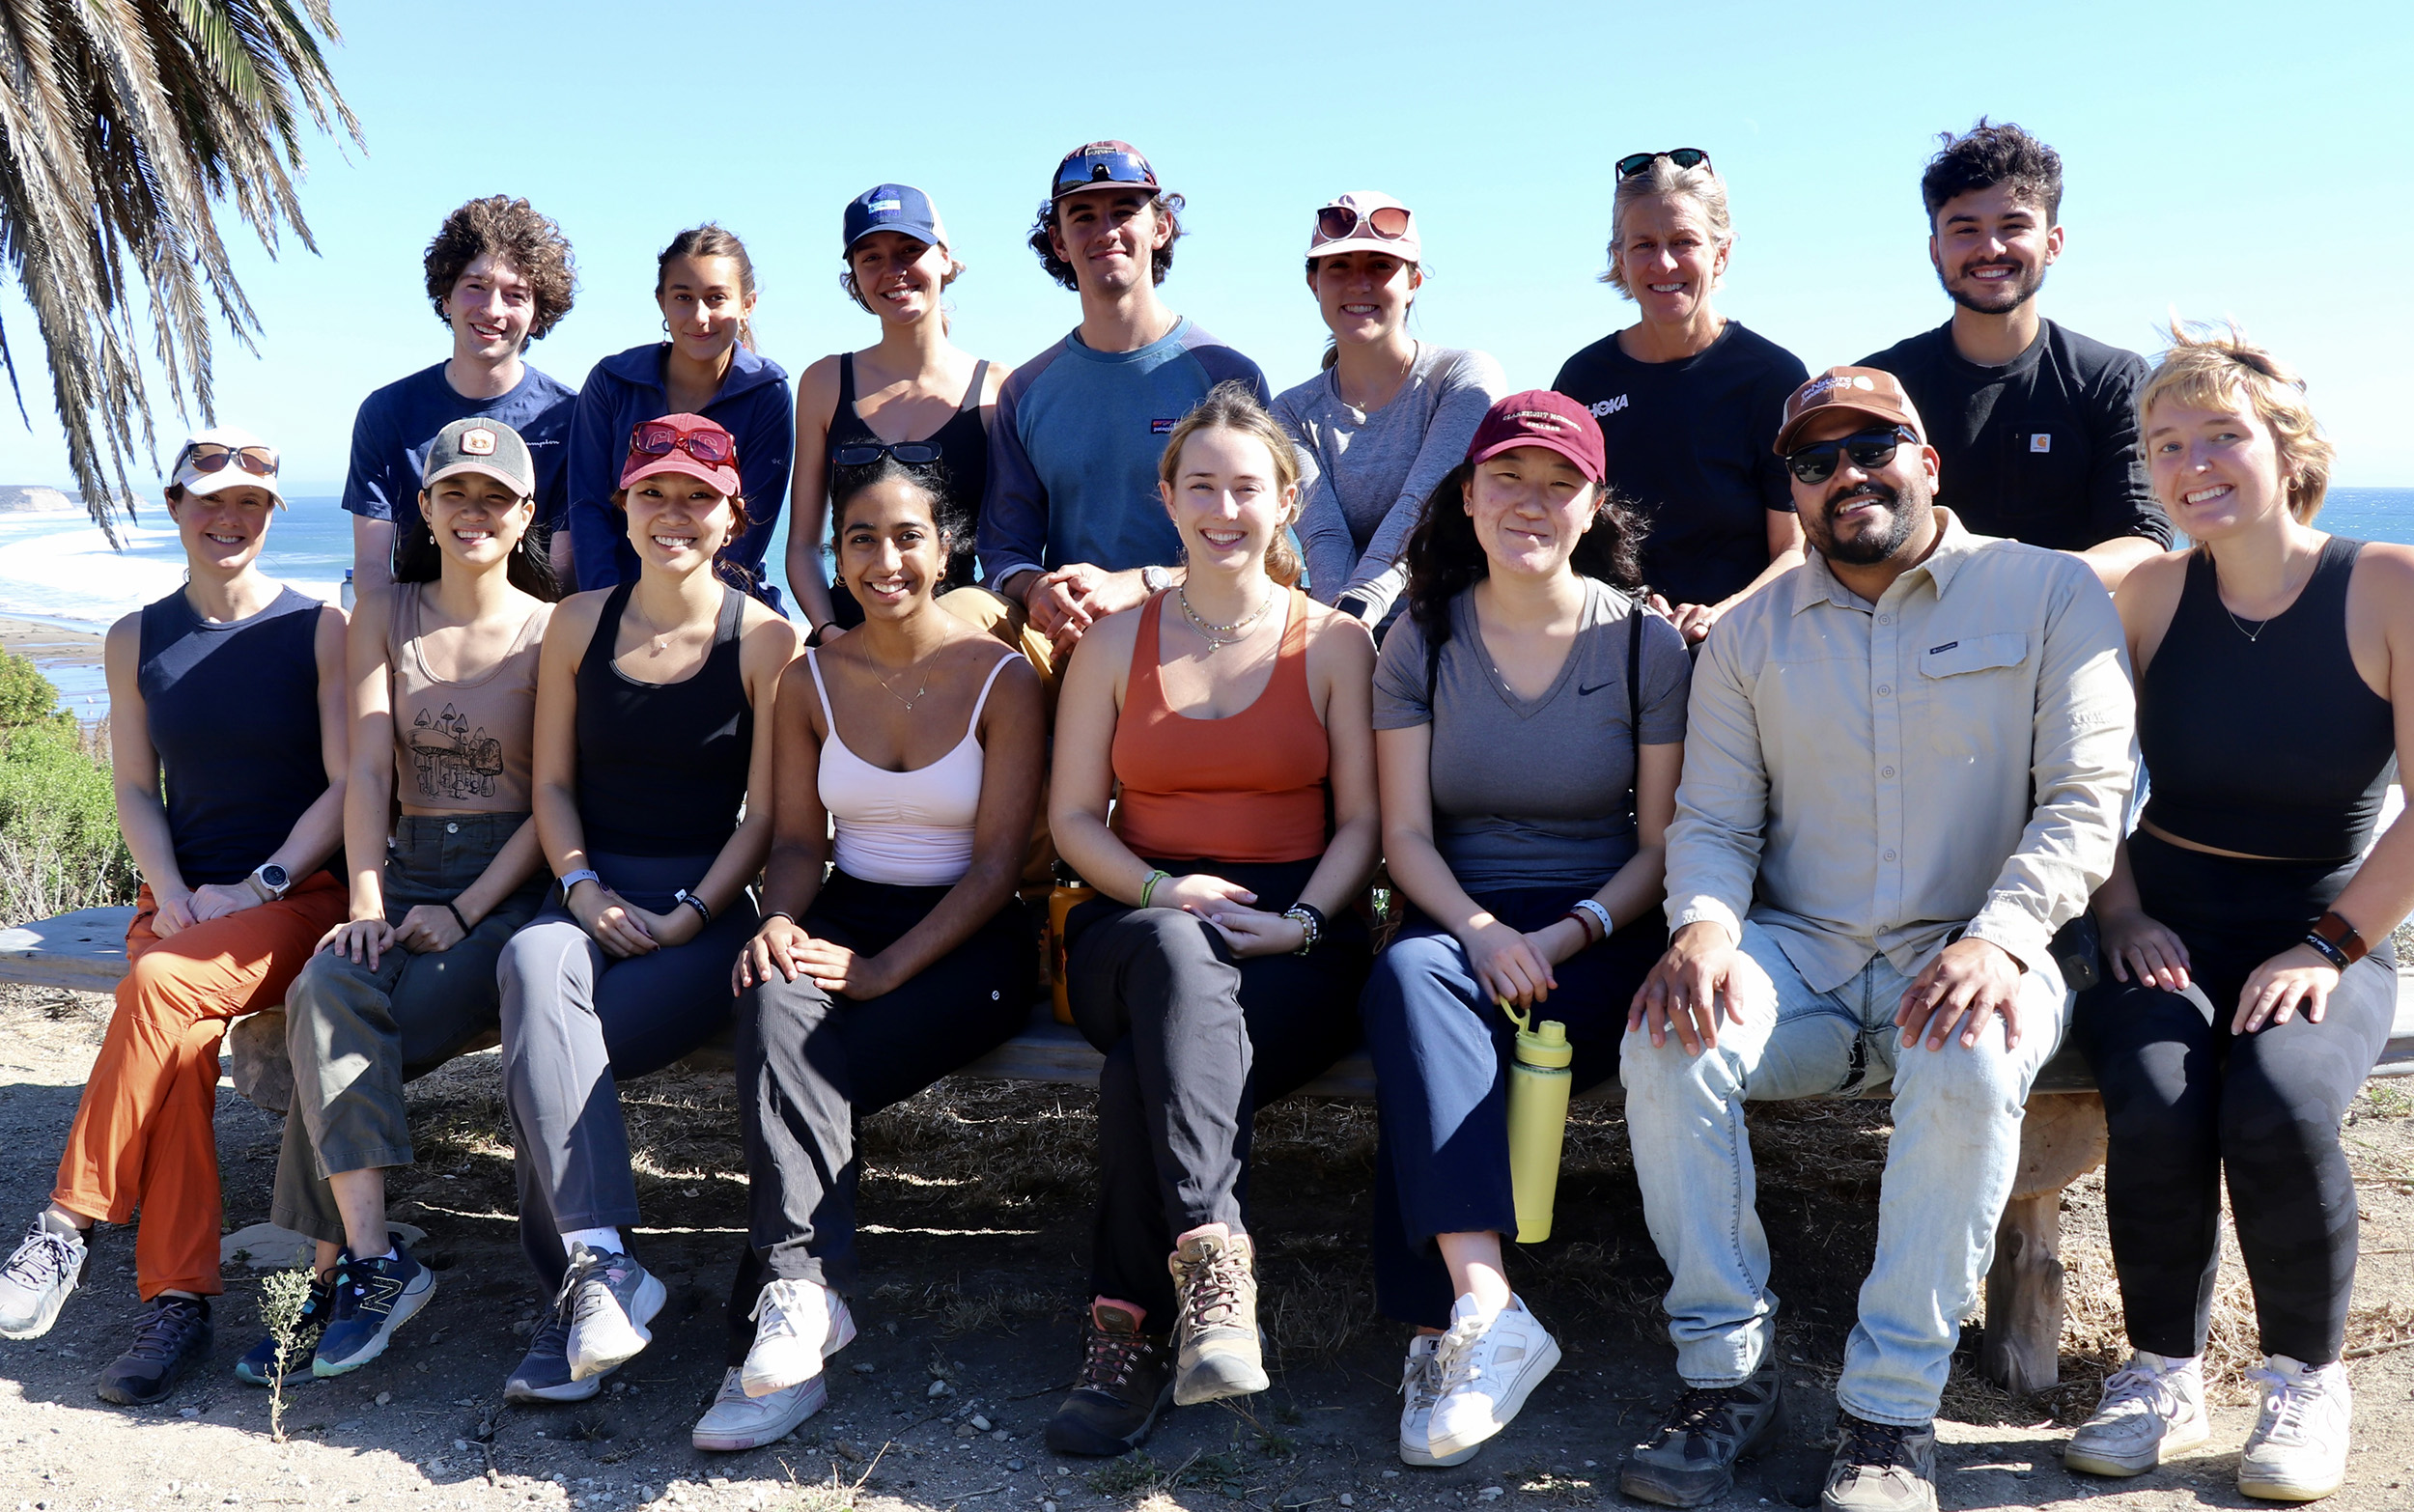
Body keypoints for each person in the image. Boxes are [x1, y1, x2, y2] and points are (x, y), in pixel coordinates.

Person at [1615, 367, 2135, 1512]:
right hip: (1799, 951)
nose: (1845, 475)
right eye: (1814, 461)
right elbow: (1712, 820)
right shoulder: (1748, 635)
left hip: (1975, 945)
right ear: (1791, 490)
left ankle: (1891, 1415)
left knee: (1971, 1051)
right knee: (1666, 1040)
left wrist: (2001, 938)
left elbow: (2088, 798)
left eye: (1872, 448)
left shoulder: (2047, 594)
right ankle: (1724, 1377)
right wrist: (1703, 928)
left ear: (1927, 461)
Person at [2063, 328, 2413, 1503]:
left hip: (2326, 923)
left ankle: (2306, 1379)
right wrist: (2114, 911)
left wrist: (2326, 948)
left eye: (2221, 434)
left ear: (2285, 444)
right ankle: (2160, 1371)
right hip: (2161, 914)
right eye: (2166, 444)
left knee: (2275, 1098)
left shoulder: (2386, 585)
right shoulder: (2148, 593)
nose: (2192, 462)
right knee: (2158, 1100)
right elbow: (2083, 782)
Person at [1040, 383, 1376, 1457]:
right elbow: (1068, 819)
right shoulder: (1113, 642)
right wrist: (1158, 889)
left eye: (1246, 487)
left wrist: (1310, 925)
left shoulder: (1330, 645)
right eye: (1201, 487)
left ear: (1286, 499)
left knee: (1147, 1070)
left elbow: (1362, 823)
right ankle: (1215, 1256)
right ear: (1166, 498)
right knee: (1171, 959)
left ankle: (1125, 1328)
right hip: (1128, 922)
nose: (1223, 508)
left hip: (1292, 941)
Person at [1361, 391, 1689, 1468]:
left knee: (1433, 1057)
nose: (1529, 503)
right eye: (1507, 479)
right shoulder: (1420, 633)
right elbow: (1403, 835)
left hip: (1602, 933)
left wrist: (1567, 934)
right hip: (1462, 918)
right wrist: (1483, 928)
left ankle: (1439, 1337)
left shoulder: (1645, 646)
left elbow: (1657, 844)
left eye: (1559, 485)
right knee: (1411, 986)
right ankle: (1484, 1308)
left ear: (1593, 506)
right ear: (1467, 495)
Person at [693, 453, 1046, 1452]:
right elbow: (800, 844)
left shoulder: (1002, 679)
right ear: (835, 554)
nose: (884, 558)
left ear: (945, 547)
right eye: (860, 538)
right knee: (773, 996)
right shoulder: (809, 677)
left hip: (973, 938)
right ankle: (803, 1304)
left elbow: (991, 870)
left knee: (808, 1076)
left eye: (906, 536)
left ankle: (762, 1347)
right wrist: (780, 919)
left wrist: (887, 972)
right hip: (850, 908)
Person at [0, 431, 347, 1406]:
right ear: (177, 508)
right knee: (181, 1041)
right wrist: (177, 888)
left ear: (271, 517)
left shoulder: (319, 628)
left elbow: (351, 786)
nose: (230, 520)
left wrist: (263, 881)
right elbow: (133, 789)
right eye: (211, 503)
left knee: (154, 985)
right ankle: (177, 1303)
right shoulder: (133, 636)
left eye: (251, 506)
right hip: (184, 900)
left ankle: (68, 1222)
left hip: (294, 899)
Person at [241, 418, 559, 1386]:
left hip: (506, 883)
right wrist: (370, 898)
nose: (473, 511)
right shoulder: (385, 609)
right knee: (327, 988)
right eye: (454, 493)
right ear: (423, 507)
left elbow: (554, 803)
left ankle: (328, 1273)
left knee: (332, 1036)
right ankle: (377, 1262)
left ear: (524, 515)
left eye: (494, 496)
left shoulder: (559, 628)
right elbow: (370, 769)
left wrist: (465, 916)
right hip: (404, 866)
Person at [493, 412, 797, 1404]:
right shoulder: (577, 621)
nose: (675, 513)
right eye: (654, 493)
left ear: (734, 516)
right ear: (621, 506)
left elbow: (767, 814)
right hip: (586, 892)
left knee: (558, 1057)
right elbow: (550, 787)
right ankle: (597, 1273)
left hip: (699, 916)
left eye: (698, 497)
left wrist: (694, 915)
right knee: (534, 968)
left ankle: (578, 1299)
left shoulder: (763, 640)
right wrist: (579, 889)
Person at [974, 142, 1271, 666]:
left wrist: (1142, 584)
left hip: (1205, 641)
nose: (1105, 229)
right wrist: (1040, 590)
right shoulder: (1026, 390)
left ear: (1161, 228)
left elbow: (1267, 548)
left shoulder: (1227, 376)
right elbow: (1005, 552)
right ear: (1058, 241)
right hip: (1078, 644)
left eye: (1125, 211)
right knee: (961, 615)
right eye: (1083, 216)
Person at [1860, 121, 2169, 589]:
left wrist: (2007, 581)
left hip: (2064, 640)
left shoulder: (2110, 378)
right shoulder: (1881, 384)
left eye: (2014, 225)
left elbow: (2143, 539)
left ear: (2053, 243)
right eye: (1965, 230)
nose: (1991, 249)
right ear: (1934, 251)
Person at [1553, 150, 1809, 643]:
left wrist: (1719, 617)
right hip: (1607, 645)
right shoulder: (1583, 380)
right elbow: (1559, 535)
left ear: (1721, 253)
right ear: (1618, 259)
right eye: (1643, 244)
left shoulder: (1773, 377)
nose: (1663, 262)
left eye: (1683, 241)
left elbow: (1793, 552)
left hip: (1741, 648)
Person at [1274, 192, 1503, 630]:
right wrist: (1344, 640)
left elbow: (1422, 509)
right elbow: (1323, 538)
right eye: (1339, 265)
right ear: (1313, 281)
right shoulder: (1290, 411)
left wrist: (1355, 614)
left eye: (1380, 265)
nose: (1359, 283)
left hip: (1457, 632)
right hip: (1341, 629)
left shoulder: (1463, 376)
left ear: (1414, 282)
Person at [789, 184, 1008, 637]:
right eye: (871, 257)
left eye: (910, 250)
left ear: (945, 258)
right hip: (847, 641)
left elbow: (1012, 549)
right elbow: (804, 545)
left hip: (958, 642)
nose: (893, 271)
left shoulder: (998, 389)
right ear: (854, 272)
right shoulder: (824, 382)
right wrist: (829, 633)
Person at [346, 196, 579, 599]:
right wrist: (376, 648)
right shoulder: (387, 414)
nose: (492, 309)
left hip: (535, 642)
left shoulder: (570, 419)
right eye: (476, 287)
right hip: (412, 634)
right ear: (446, 297)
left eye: (516, 295)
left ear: (539, 314)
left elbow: (562, 574)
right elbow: (371, 566)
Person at [567, 225, 795, 611]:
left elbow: (749, 526)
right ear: (662, 302)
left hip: (724, 605)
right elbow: (588, 510)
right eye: (683, 297)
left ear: (747, 304)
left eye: (716, 298)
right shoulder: (612, 382)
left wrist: (700, 621)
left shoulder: (767, 392)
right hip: (616, 598)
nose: (699, 316)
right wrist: (609, 613)